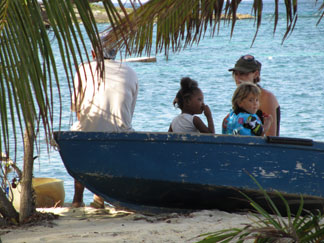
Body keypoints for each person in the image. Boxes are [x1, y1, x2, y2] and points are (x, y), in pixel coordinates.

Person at [70, 41, 138, 208]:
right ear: (116, 52)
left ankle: (77, 200)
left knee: (80, 136)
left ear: (93, 54)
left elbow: (77, 109)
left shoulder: (84, 69)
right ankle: (99, 198)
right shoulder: (130, 72)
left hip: (89, 131)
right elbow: (129, 111)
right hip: (120, 133)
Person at [223, 54, 280, 136]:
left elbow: (270, 137)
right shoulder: (241, 97)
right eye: (236, 73)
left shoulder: (266, 97)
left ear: (256, 74)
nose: (238, 78)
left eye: (243, 73)